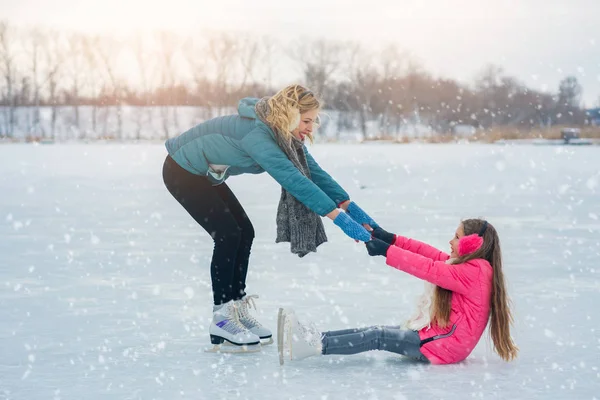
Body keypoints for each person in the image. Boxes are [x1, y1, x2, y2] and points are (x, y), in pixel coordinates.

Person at [162, 84, 376, 350]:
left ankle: (236, 309)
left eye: (314, 121)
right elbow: (295, 180)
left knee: (244, 232)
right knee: (228, 234)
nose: (311, 128)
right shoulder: (259, 136)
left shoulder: (280, 135)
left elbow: (314, 173)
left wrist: (352, 209)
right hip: (181, 171)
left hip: (202, 175)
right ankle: (221, 318)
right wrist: (341, 221)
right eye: (307, 120)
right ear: (289, 113)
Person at [278, 219, 519, 365]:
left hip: (442, 346)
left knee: (378, 336)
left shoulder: (474, 273)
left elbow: (429, 268)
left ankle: (315, 346)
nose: (451, 241)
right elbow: (428, 254)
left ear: (472, 245)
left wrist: (386, 251)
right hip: (440, 337)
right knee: (375, 331)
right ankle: (317, 338)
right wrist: (390, 239)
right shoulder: (470, 267)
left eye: (457, 238)